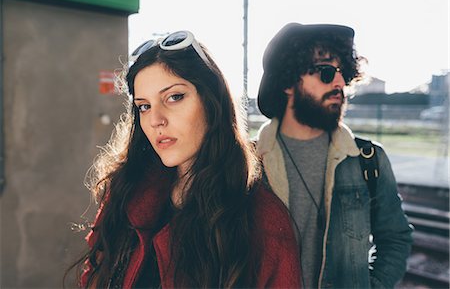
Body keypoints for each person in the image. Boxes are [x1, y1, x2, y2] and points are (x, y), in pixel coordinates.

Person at [68, 30, 302, 288]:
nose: (156, 119)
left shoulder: (262, 220)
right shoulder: (126, 191)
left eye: (174, 97)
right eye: (144, 106)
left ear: (212, 102)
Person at [255, 23, 413, 288]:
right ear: (288, 82)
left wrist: (373, 285)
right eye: (326, 72)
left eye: (344, 74)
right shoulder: (246, 162)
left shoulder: (367, 160)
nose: (340, 83)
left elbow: (395, 237)